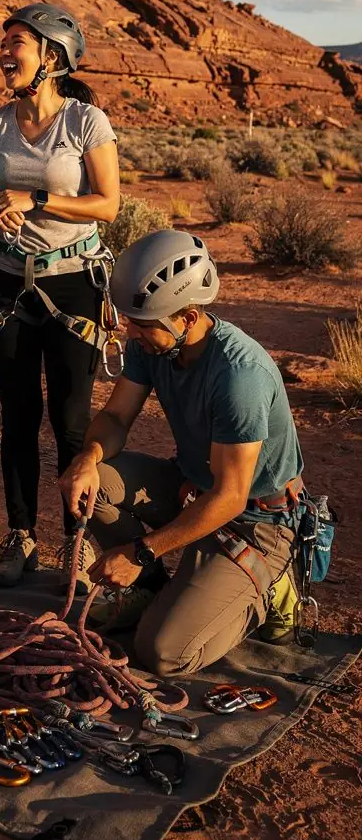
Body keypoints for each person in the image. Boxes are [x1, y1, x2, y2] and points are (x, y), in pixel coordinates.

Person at [58, 229, 305, 677]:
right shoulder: (154, 345)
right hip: (193, 490)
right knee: (98, 484)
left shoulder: (238, 376)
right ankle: (153, 590)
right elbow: (115, 419)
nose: (130, 332)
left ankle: (271, 589)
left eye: (142, 323)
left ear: (188, 318)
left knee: (163, 653)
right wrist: (87, 458)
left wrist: (139, 551)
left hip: (255, 524)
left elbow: (230, 497)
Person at [0, 4, 120, 592]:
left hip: (73, 282)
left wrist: (35, 202)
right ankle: (20, 534)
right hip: (6, 280)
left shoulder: (86, 122)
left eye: (16, 44)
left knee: (71, 419)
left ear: (50, 57)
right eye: (2, 42)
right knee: (18, 415)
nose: (4, 52)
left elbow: (107, 205)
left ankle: (74, 541)